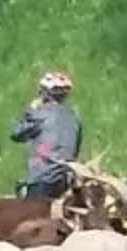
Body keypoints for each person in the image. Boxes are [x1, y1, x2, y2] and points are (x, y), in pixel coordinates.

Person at [11, 70, 81, 198]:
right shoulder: (74, 117)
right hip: (65, 179)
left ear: (44, 93)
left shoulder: (40, 115)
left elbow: (16, 133)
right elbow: (76, 148)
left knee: (30, 215)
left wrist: (30, 109)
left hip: (42, 178)